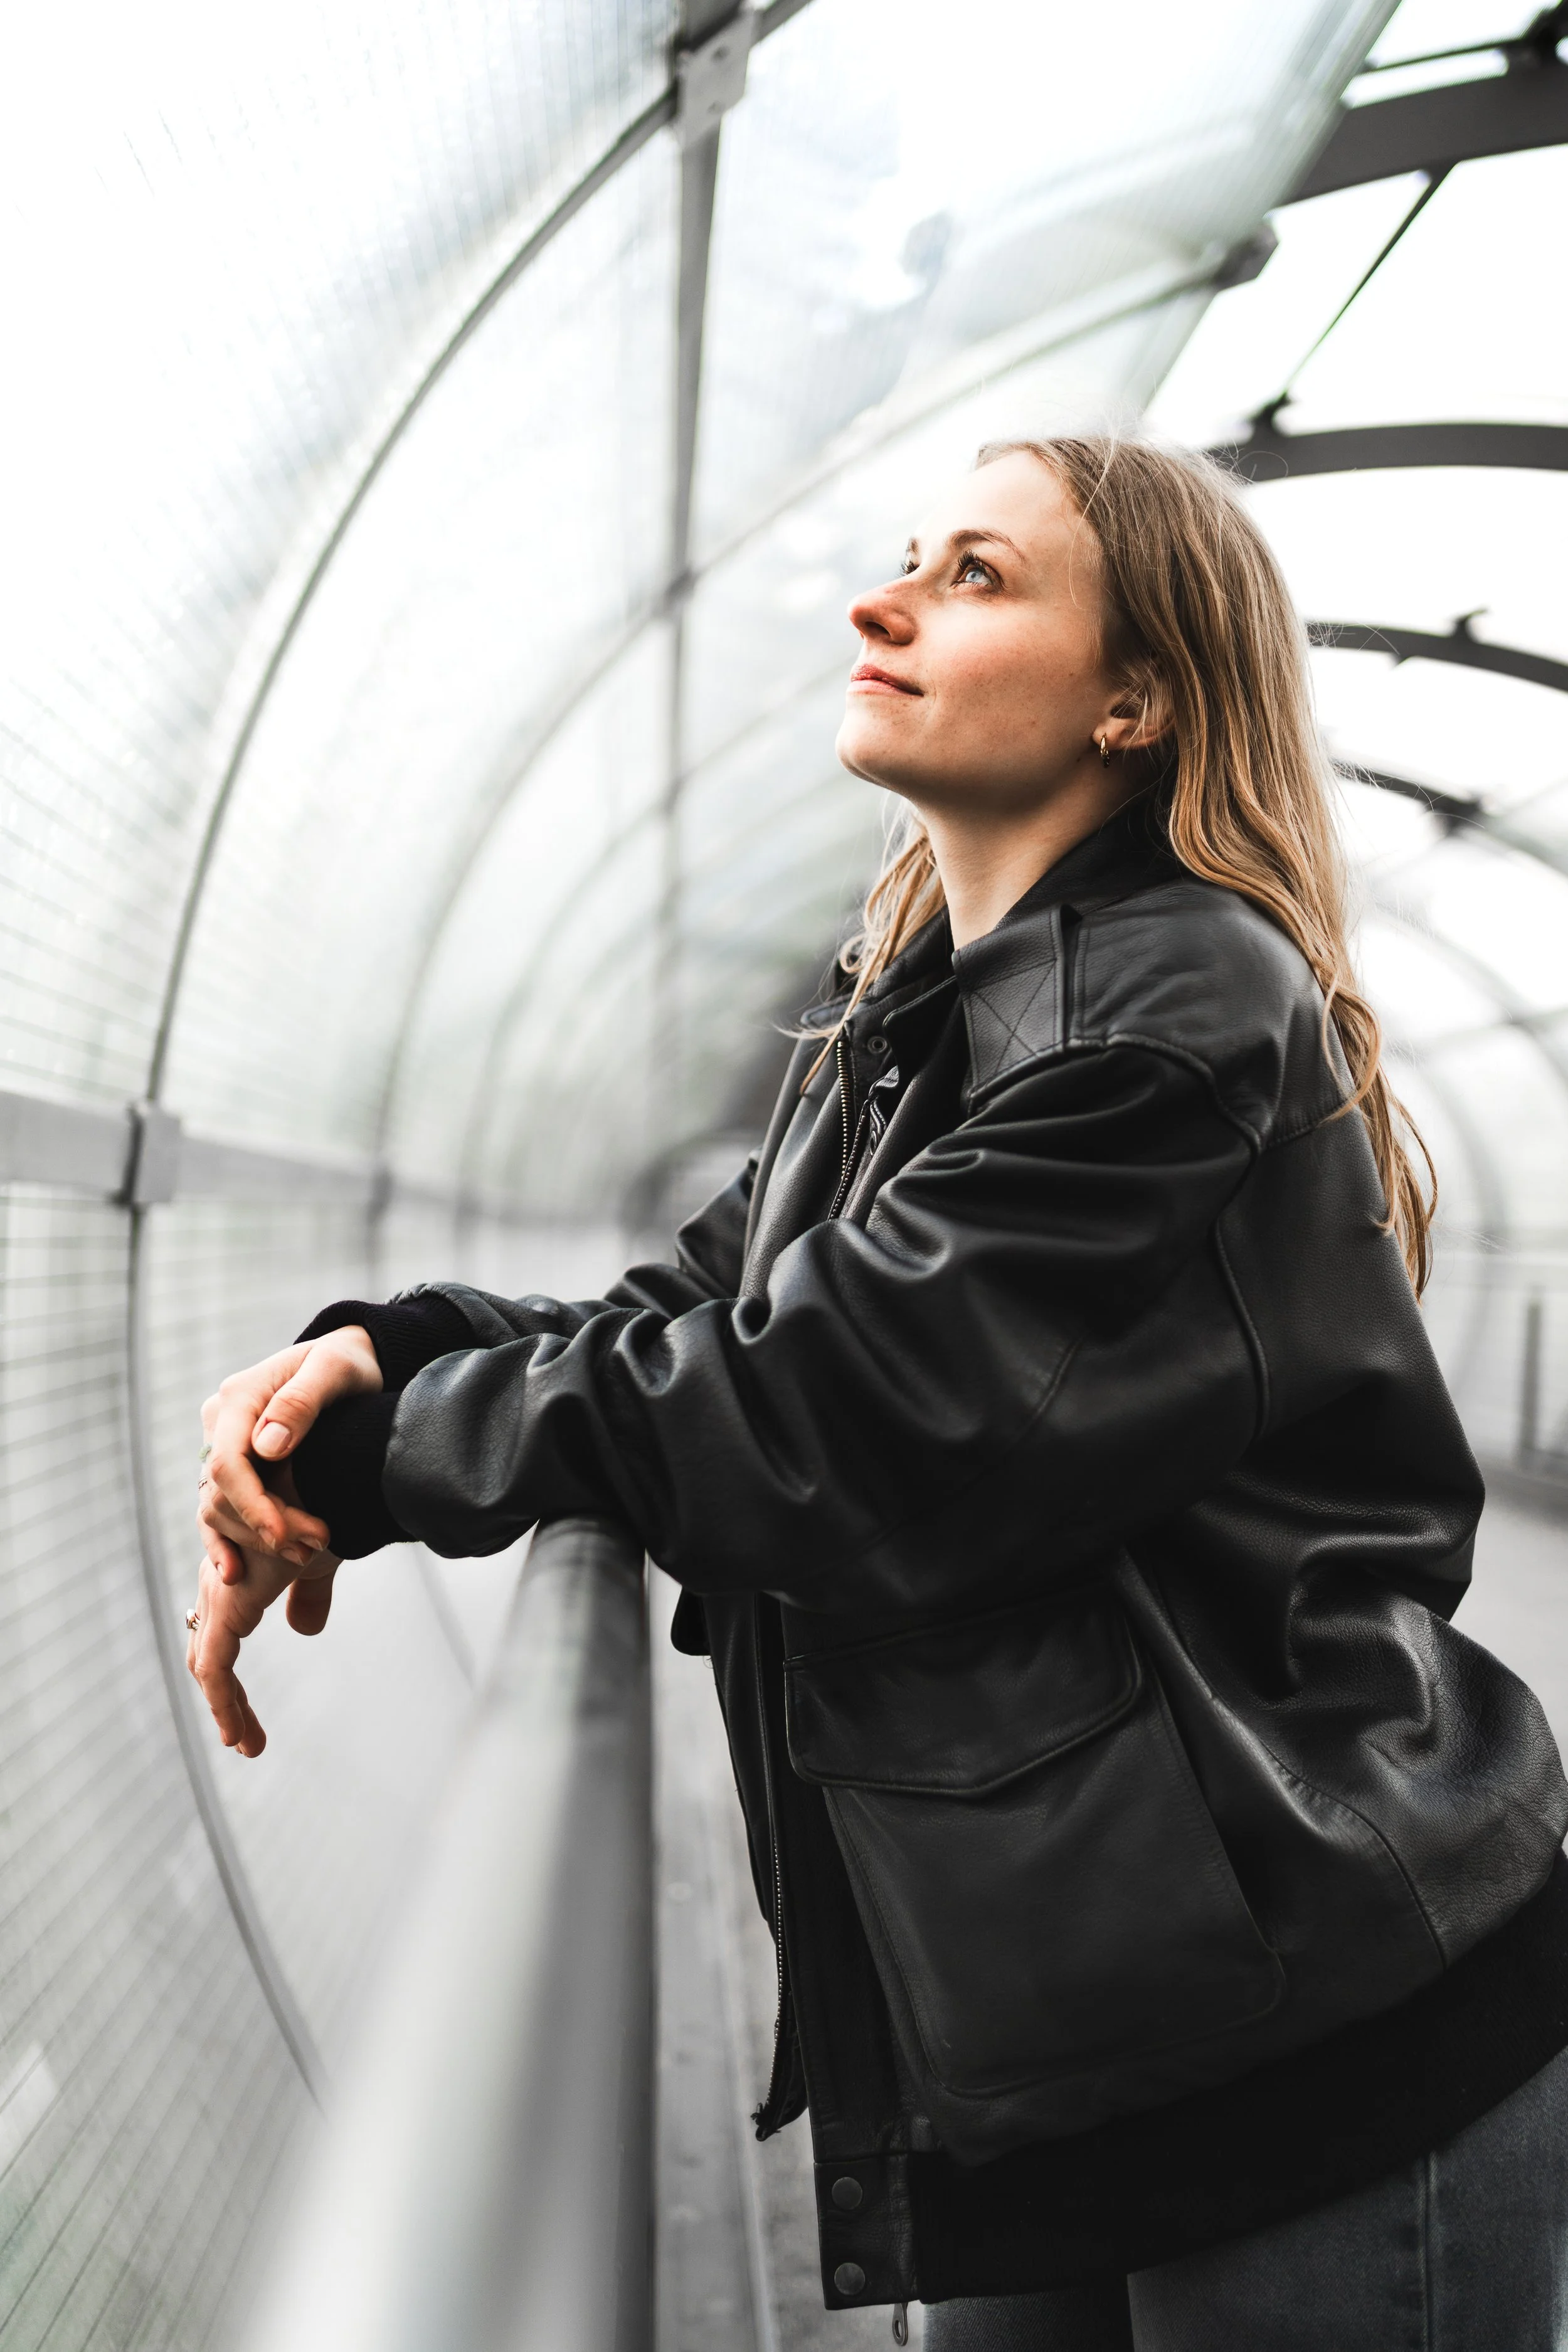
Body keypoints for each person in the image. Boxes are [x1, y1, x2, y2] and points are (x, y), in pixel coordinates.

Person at [191, 437, 1568, 2350]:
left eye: (977, 574)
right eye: (907, 556)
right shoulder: (923, 1008)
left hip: (1321, 2025)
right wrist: (392, 1354)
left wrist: (378, 1451)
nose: (880, 598)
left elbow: (816, 1409)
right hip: (1079, 2023)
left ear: (1135, 697)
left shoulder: (1168, 1009)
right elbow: (703, 1295)